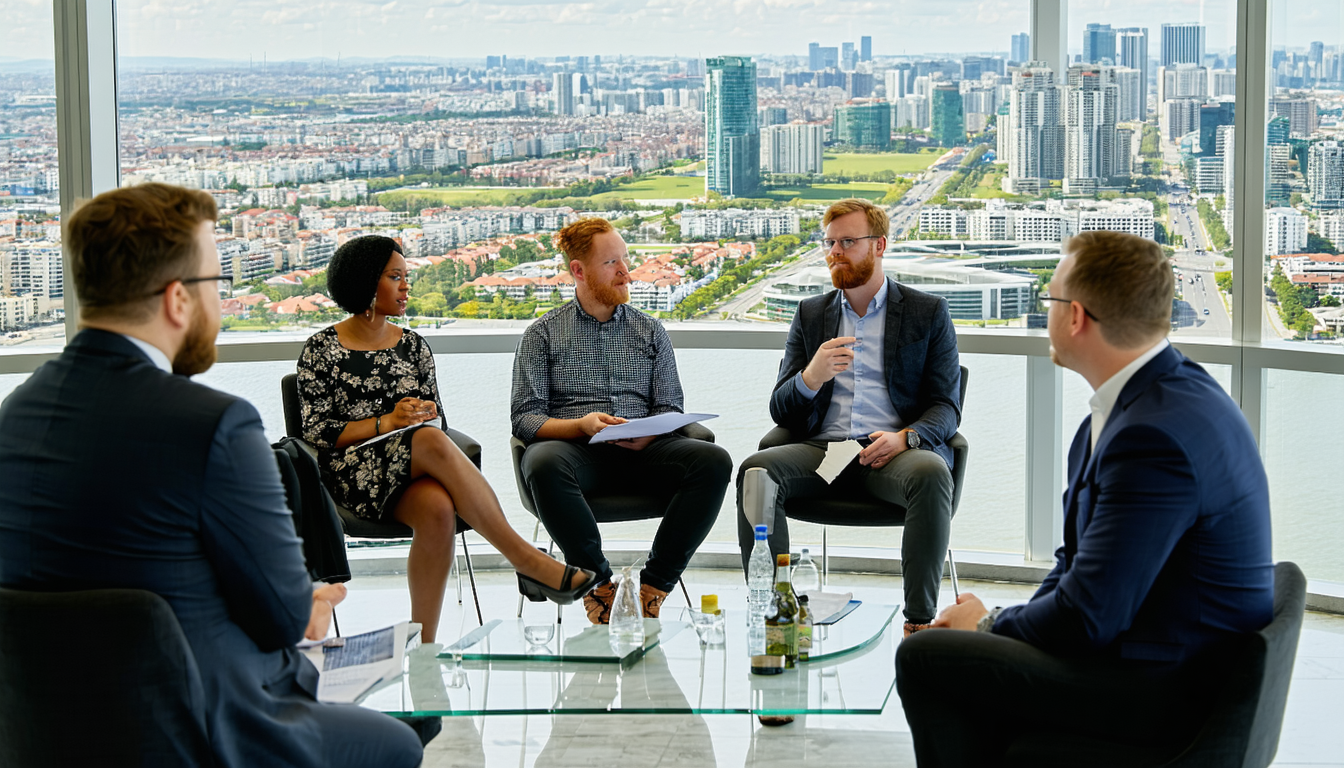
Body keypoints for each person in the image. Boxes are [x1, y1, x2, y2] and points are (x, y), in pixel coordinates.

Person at [0, 183, 422, 768]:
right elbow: (282, 618)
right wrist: (311, 602)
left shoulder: (14, 414)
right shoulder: (214, 425)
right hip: (202, 730)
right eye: (217, 285)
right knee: (399, 742)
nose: (221, 306)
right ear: (178, 299)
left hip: (47, 737)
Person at [895, 231, 1275, 767]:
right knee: (966, 659)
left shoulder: (1152, 438)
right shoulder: (1149, 403)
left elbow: (1086, 619)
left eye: (1049, 299)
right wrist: (1002, 628)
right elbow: (1074, 568)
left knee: (925, 657)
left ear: (1074, 317)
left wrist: (988, 626)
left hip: (1167, 691)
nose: (1045, 310)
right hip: (1152, 646)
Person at [297, 235, 594, 642]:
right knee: (431, 443)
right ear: (366, 281)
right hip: (348, 475)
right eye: (394, 277)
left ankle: (424, 646)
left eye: (406, 276)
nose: (405, 286)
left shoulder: (414, 346)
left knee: (437, 507)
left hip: (408, 466)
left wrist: (425, 417)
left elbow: (436, 420)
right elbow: (316, 432)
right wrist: (388, 422)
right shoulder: (321, 350)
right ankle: (526, 559)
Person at [736, 197, 961, 636]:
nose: (835, 252)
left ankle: (918, 622)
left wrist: (907, 437)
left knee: (931, 472)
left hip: (891, 452)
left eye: (848, 242)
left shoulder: (927, 311)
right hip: (829, 453)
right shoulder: (812, 314)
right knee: (756, 471)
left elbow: (946, 406)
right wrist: (810, 377)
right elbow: (781, 407)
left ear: (879, 245)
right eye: (830, 243)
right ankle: (773, 612)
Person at [511, 217, 732, 624]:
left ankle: (654, 588)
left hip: (646, 453)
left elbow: (670, 406)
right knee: (541, 462)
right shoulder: (541, 335)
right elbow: (525, 419)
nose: (626, 272)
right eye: (613, 263)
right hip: (578, 455)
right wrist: (582, 425)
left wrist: (649, 434)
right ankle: (598, 586)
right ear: (579, 271)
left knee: (714, 461)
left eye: (625, 260)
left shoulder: (651, 331)